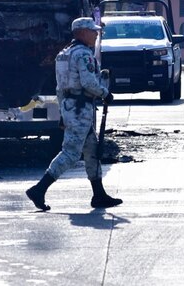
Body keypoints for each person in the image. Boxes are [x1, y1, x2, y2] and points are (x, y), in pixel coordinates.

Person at [26, 17, 122, 211]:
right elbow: (88, 83)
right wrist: (105, 94)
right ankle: (39, 189)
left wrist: (63, 111)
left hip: (71, 107)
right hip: (80, 109)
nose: (96, 34)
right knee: (70, 153)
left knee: (92, 151)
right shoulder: (84, 55)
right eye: (93, 31)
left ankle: (99, 195)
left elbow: (60, 87)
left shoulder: (63, 54)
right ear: (82, 32)